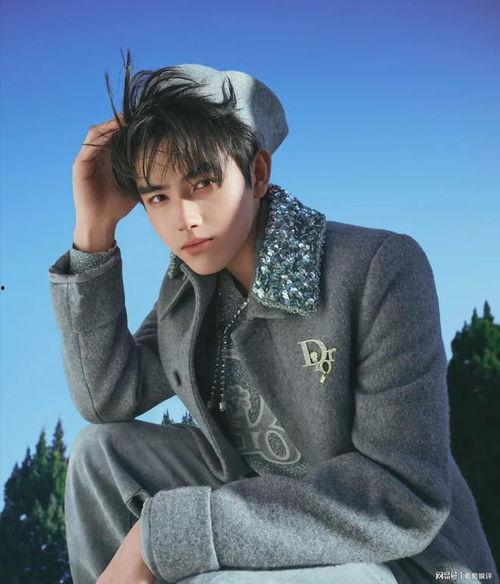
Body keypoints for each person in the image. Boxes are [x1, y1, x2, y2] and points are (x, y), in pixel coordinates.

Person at [48, 50, 498, 584]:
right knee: (99, 452)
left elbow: (404, 497)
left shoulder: (380, 267)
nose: (184, 218)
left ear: (257, 173)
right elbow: (106, 398)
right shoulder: (189, 292)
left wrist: (168, 532)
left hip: (395, 554)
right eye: (158, 197)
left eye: (203, 183)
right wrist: (93, 232)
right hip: (255, 499)